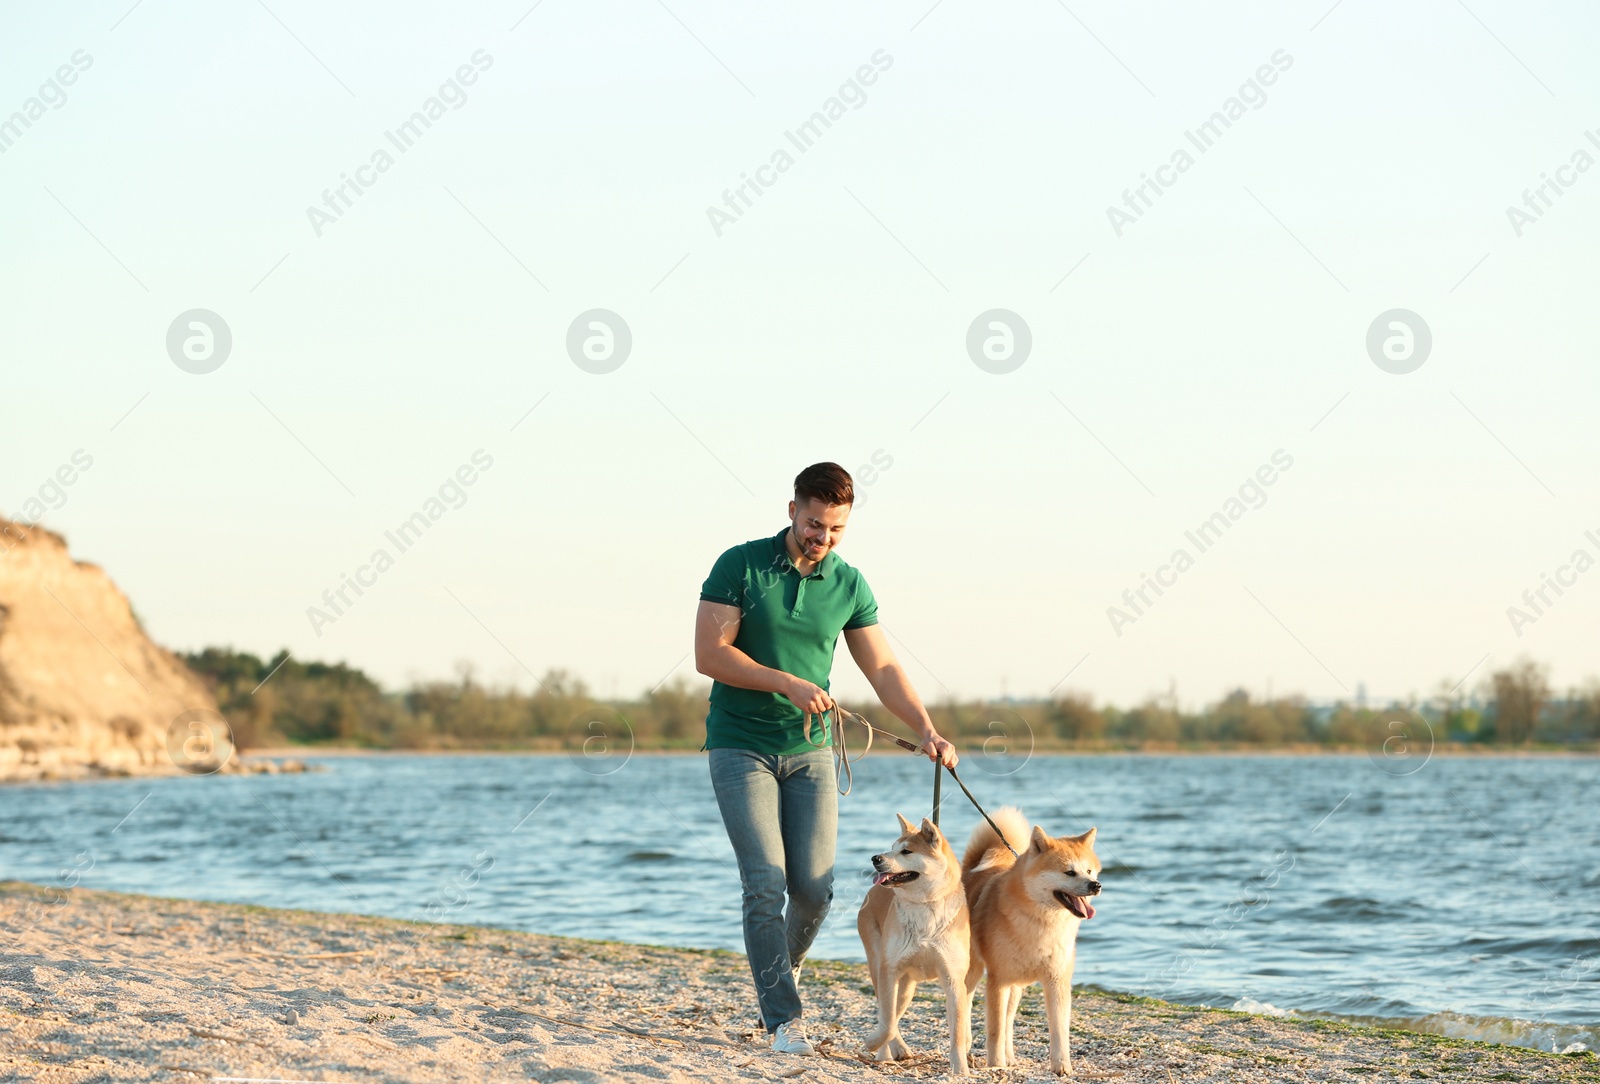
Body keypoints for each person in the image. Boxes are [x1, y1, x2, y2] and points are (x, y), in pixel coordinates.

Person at [694, 461, 958, 1056]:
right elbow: (710, 654)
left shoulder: (849, 583)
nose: (822, 538)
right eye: (814, 524)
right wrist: (785, 681)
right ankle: (785, 1019)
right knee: (764, 883)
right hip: (740, 744)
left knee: (814, 893)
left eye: (835, 529)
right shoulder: (740, 565)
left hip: (811, 752)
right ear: (792, 510)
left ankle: (772, 979)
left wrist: (926, 729)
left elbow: (884, 668)